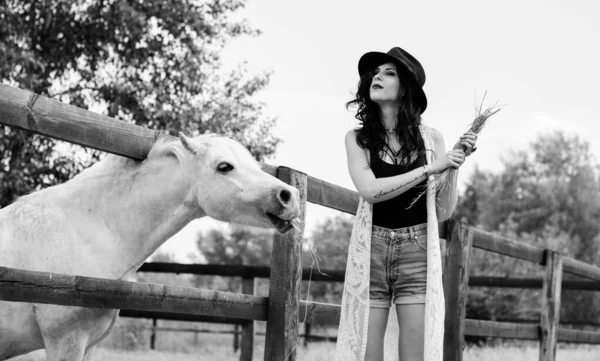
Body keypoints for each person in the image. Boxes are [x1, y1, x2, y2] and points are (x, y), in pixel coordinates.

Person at [335, 47, 478, 361]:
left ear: (406, 90)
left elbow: (443, 211)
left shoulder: (432, 140)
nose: (378, 77)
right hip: (371, 248)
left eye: (389, 73)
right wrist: (429, 169)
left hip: (416, 251)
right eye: (375, 73)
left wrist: (452, 168)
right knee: (365, 354)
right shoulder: (357, 139)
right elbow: (370, 190)